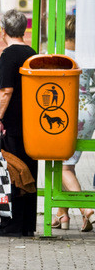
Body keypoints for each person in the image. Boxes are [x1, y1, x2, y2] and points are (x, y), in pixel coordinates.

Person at [0, 9, 39, 238]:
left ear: (3, 30)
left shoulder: (8, 55)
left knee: (13, 174)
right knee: (28, 174)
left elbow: (5, 91)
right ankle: (27, 225)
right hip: (31, 125)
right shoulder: (31, 53)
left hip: (13, 126)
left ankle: (11, 226)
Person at [51, 15, 95, 231]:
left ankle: (86, 210)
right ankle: (62, 215)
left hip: (67, 111)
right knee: (69, 164)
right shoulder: (88, 55)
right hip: (88, 110)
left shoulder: (59, 54)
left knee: (62, 166)